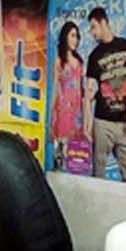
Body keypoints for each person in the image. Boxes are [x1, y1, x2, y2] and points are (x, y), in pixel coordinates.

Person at [83, 7, 126, 184]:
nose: (92, 32)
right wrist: (87, 124)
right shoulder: (94, 55)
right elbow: (89, 91)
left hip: (124, 122)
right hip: (102, 122)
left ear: (103, 22)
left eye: (94, 27)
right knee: (98, 173)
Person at [51, 21, 86, 167]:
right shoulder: (59, 61)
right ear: (65, 37)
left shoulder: (79, 61)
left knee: (76, 150)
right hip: (63, 109)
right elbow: (55, 88)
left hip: (77, 110)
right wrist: (51, 114)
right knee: (61, 146)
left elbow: (82, 88)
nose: (75, 40)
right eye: (72, 35)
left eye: (77, 36)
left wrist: (85, 112)